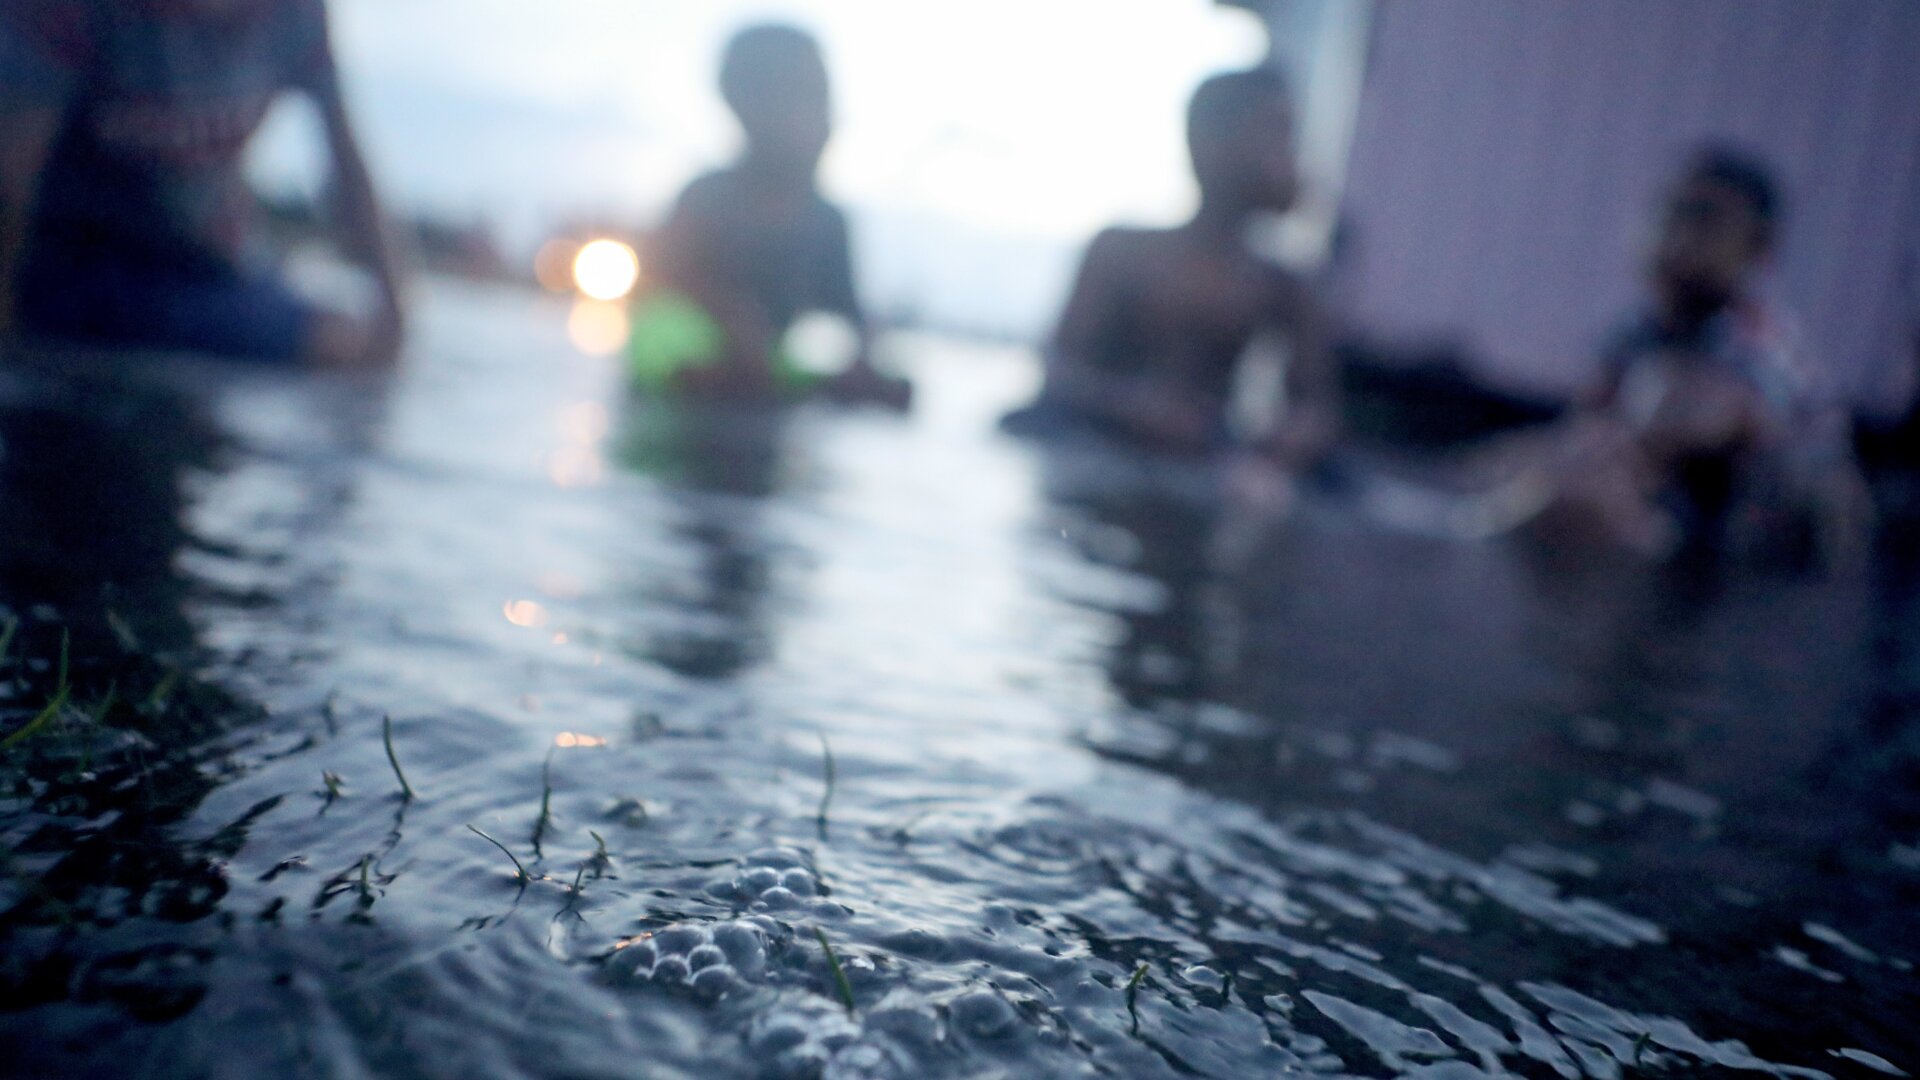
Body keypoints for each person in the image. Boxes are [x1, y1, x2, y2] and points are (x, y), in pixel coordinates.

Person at [0, 0, 405, 368]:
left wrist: (396, 318)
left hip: (209, 268)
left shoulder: (297, 13)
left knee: (345, 343)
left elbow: (345, 162)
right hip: (68, 269)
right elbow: (12, 174)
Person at [1002, 67, 1337, 466]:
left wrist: (1287, 438)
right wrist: (1133, 408)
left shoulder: (1284, 287)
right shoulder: (1122, 251)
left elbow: (1315, 411)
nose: (1292, 158)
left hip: (1202, 462)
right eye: (1276, 134)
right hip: (1092, 448)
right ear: (1212, 144)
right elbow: (1058, 369)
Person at [1542, 147, 1863, 560]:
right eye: (1666, 214)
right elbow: (1583, 423)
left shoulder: (1767, 345)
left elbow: (1709, 417)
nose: (1673, 239)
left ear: (1757, 248)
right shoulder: (1632, 334)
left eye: (1704, 222)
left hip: (1775, 551)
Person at [634, 23, 907, 407]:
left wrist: (866, 372)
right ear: (746, 107)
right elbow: (652, 291)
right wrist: (727, 320)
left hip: (771, 396)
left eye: (823, 100)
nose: (825, 121)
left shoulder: (827, 224)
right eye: (805, 99)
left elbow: (851, 323)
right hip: (685, 397)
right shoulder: (705, 200)